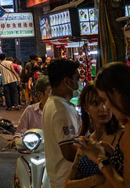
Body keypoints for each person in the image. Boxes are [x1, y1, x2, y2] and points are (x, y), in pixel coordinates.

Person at [79, 62, 130, 188]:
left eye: (105, 99)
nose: (106, 107)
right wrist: (114, 154)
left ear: (116, 94)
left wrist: (101, 160)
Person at [65, 82, 121, 188]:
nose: (103, 108)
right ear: (86, 107)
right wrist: (96, 179)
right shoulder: (87, 141)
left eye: (105, 101)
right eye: (95, 103)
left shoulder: (122, 137)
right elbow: (67, 184)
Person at [43, 58, 82, 188]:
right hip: (67, 179)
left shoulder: (53, 104)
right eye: (76, 79)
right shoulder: (62, 110)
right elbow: (69, 152)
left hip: (58, 179)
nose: (78, 84)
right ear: (66, 81)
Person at [13, 75, 51, 140]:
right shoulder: (30, 111)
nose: (53, 96)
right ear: (40, 94)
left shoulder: (60, 112)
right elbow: (19, 132)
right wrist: (16, 139)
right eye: (50, 92)